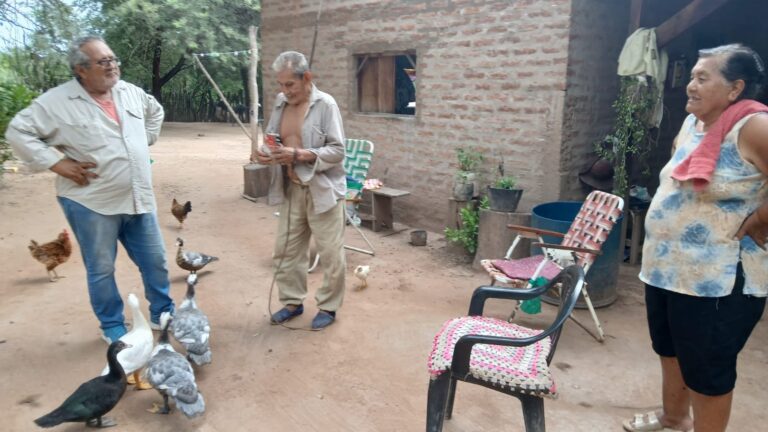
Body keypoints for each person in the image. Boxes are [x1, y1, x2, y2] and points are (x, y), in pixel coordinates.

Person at [626, 44, 768, 432]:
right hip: (667, 269)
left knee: (707, 370)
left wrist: (760, 218)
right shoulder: (693, 123)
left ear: (736, 88)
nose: (691, 85)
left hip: (718, 279)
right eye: (692, 76)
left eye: (703, 78)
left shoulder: (755, 126)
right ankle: (674, 420)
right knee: (670, 351)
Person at [6, 36, 174, 344]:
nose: (112, 66)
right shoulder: (56, 102)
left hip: (138, 197)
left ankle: (162, 312)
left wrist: (144, 139)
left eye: (113, 59)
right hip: (91, 202)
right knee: (101, 268)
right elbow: (18, 131)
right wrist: (57, 163)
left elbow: (155, 111)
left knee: (156, 261)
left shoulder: (130, 92)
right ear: (81, 69)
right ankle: (112, 326)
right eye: (104, 62)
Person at [252, 51, 347, 330]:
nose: (284, 91)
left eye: (290, 85)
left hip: (323, 190)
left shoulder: (326, 104)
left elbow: (338, 151)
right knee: (285, 250)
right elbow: (272, 138)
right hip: (292, 188)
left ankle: (328, 307)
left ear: (307, 78)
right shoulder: (281, 104)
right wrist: (266, 153)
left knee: (330, 253)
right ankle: (292, 302)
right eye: (280, 85)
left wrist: (299, 154)